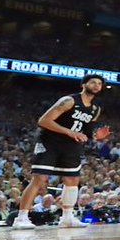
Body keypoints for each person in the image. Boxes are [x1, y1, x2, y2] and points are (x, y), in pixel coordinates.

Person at [13, 73, 110, 230]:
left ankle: (67, 218)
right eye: (93, 82)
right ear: (83, 85)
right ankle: (21, 218)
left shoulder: (95, 109)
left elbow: (86, 133)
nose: (97, 85)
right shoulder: (69, 100)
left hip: (71, 147)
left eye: (99, 83)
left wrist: (96, 137)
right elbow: (43, 121)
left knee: (72, 181)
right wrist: (69, 132)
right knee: (39, 179)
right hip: (50, 143)